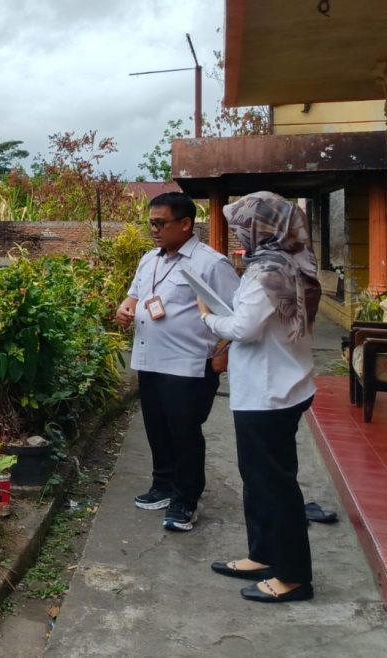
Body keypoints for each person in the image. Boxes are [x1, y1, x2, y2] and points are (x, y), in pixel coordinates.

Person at [200, 191, 320, 603]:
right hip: (279, 385)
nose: (239, 232)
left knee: (273, 485)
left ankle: (293, 577)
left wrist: (208, 317)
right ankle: (264, 554)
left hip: (268, 393)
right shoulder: (287, 261)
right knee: (259, 479)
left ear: (262, 227)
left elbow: (244, 327)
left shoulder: (267, 270)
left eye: (243, 225)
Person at [115, 192, 239, 531]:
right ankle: (163, 485)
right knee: (157, 428)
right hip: (149, 361)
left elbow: (238, 315)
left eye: (160, 223)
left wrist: (223, 354)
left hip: (188, 365)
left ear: (185, 224)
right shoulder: (149, 260)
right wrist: (125, 309)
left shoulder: (211, 264)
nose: (153, 229)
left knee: (184, 434)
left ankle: (186, 498)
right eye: (151, 223)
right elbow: (134, 297)